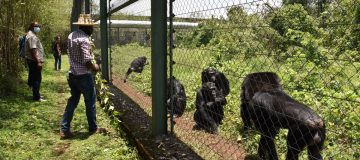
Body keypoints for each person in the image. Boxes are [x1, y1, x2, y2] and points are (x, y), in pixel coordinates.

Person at [60, 14, 105, 139]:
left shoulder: (71, 36)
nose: (92, 29)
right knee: (90, 102)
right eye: (91, 27)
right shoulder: (84, 39)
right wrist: (96, 67)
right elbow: (87, 60)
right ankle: (93, 128)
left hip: (72, 75)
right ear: (86, 27)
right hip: (83, 76)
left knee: (73, 101)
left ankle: (64, 129)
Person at [25, 22, 45, 102]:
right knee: (37, 79)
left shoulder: (31, 35)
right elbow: (33, 50)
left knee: (34, 78)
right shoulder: (32, 36)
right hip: (33, 61)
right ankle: (36, 97)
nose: (38, 27)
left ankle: (36, 94)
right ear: (32, 27)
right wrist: (38, 62)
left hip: (32, 60)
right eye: (37, 26)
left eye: (39, 26)